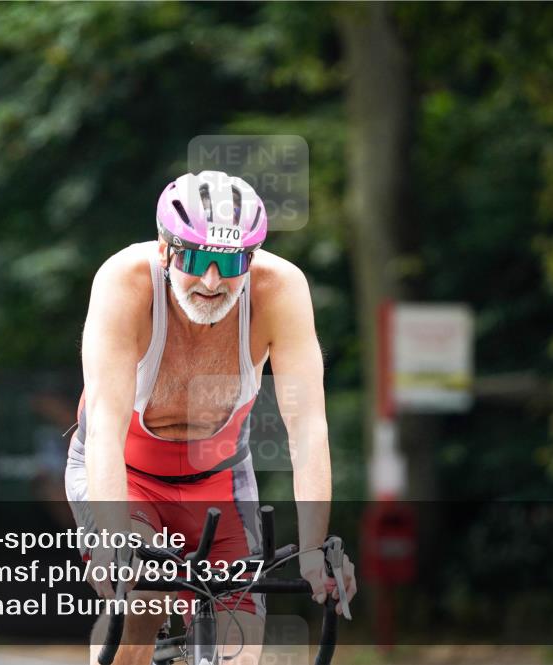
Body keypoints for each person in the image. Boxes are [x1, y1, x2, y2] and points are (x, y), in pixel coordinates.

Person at [65, 171, 356, 665]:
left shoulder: (281, 289)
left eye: (229, 261)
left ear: (252, 258)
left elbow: (307, 430)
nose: (212, 280)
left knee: (241, 648)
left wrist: (311, 552)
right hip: (127, 475)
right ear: (165, 250)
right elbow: (105, 433)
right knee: (142, 602)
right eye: (197, 259)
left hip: (221, 480)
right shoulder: (124, 282)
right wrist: (115, 543)